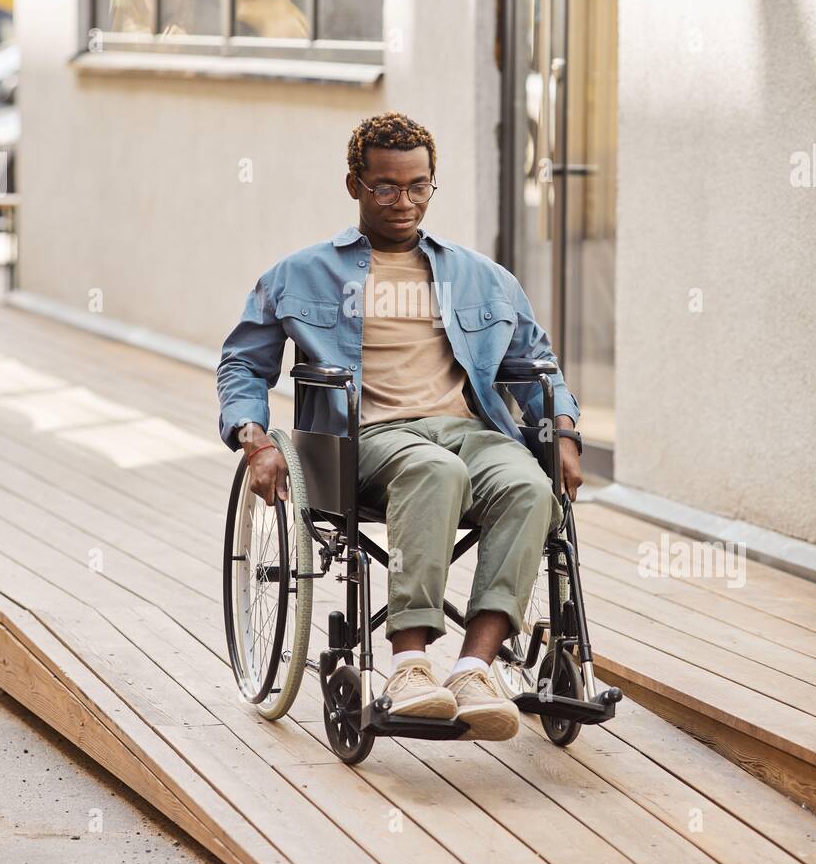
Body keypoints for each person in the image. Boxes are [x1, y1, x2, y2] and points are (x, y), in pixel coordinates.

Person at [217, 113, 582, 741]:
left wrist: (565, 433)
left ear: (432, 184)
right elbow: (244, 362)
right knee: (432, 469)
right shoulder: (299, 274)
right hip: (364, 438)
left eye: (418, 186)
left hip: (466, 429)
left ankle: (474, 669)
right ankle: (410, 666)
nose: (403, 202)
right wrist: (253, 440)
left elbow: (534, 366)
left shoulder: (481, 277)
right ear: (355, 184)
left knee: (528, 485)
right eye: (386, 187)